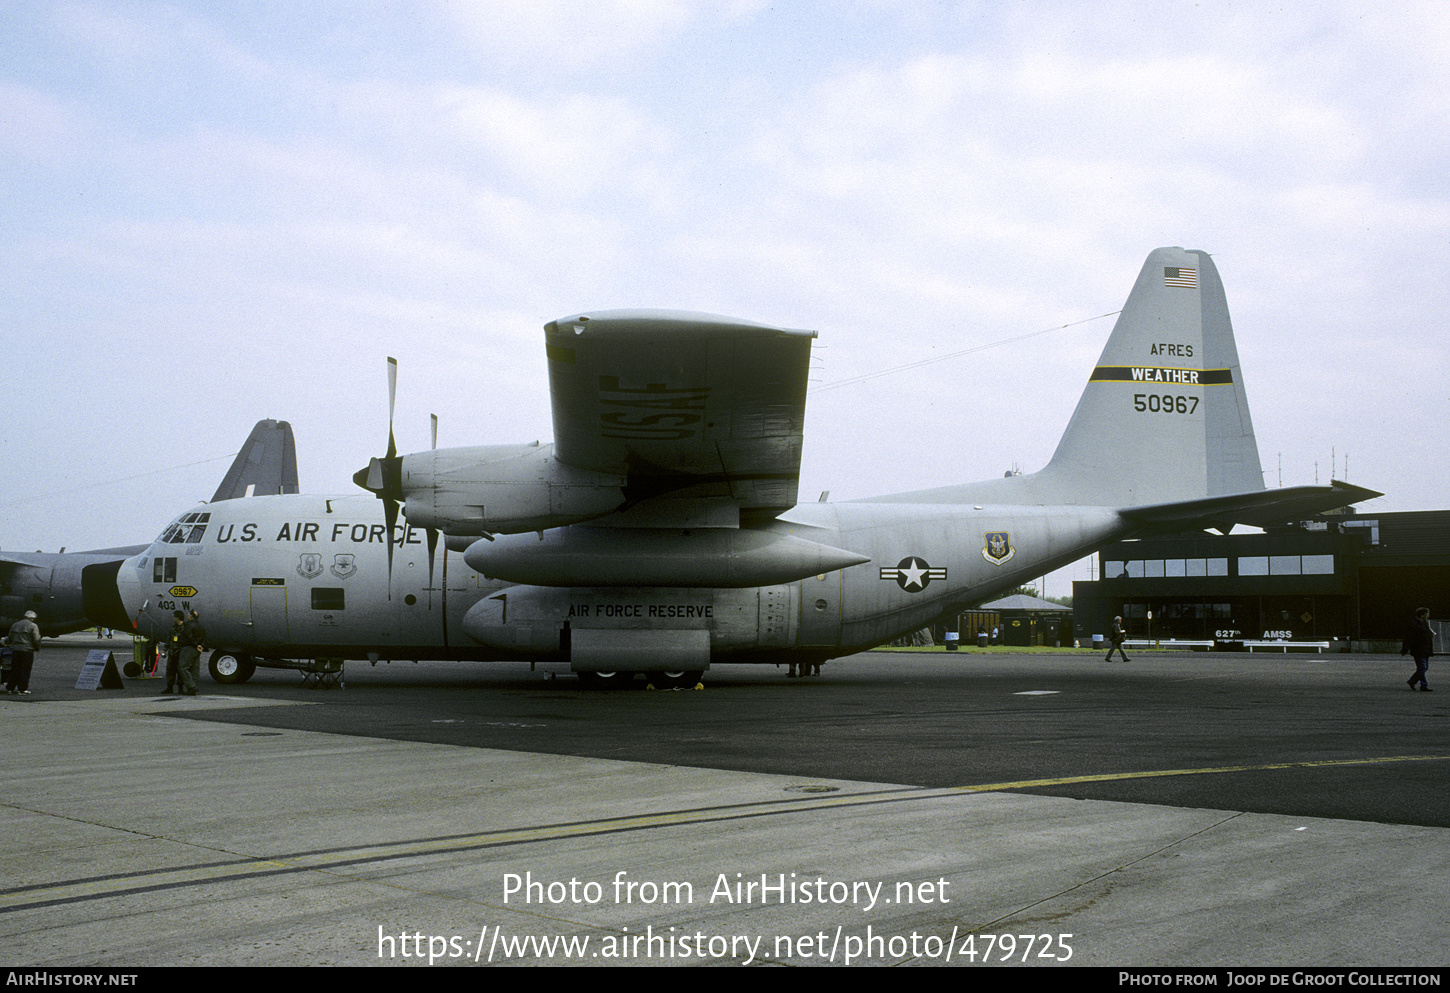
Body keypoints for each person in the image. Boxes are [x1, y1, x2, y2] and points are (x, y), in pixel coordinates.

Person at [6, 610, 42, 695]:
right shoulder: (33, 626)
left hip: (15, 650)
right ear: (32, 618)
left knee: (14, 669)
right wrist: (37, 648)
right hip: (27, 651)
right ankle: (22, 689)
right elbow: (36, 639)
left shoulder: (15, 624)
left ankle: (10, 688)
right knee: (25, 670)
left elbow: (10, 637)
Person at [1401, 606, 1433, 692]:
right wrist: (1405, 649)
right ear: (1422, 615)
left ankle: (1412, 681)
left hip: (1424, 649)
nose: (1428, 615)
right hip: (1418, 649)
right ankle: (1423, 685)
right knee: (1422, 667)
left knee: (1423, 668)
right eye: (1427, 613)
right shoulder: (1415, 624)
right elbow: (1409, 637)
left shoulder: (1424, 623)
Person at [178, 609, 207, 696]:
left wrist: (195, 645)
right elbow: (204, 637)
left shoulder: (188, 625)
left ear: (191, 616)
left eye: (188, 614)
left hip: (189, 648)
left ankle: (191, 686)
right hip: (198, 649)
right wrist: (200, 645)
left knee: (183, 667)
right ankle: (195, 685)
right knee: (195, 669)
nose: (187, 616)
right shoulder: (200, 626)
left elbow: (189, 637)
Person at [163, 610, 186, 694]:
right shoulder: (173, 628)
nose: (173, 618)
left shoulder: (185, 628)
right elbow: (169, 639)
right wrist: (165, 650)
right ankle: (169, 687)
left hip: (180, 654)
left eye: (174, 617)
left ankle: (181, 688)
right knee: (170, 670)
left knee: (180, 671)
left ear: (178, 618)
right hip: (172, 653)